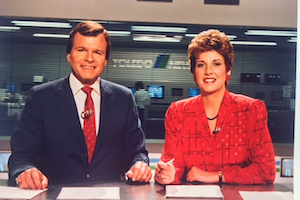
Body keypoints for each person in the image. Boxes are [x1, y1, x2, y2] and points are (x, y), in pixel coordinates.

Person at [8, 21, 152, 189]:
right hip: (54, 194)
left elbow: (136, 152)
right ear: (69, 55)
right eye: (81, 50)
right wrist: (25, 170)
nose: (89, 58)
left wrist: (139, 165)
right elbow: (21, 154)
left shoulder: (123, 98)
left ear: (105, 60)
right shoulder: (41, 97)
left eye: (97, 52)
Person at [155, 29, 276, 185]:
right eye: (201, 65)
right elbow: (173, 163)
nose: (208, 71)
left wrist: (218, 176)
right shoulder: (178, 112)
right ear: (193, 73)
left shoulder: (250, 110)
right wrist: (168, 175)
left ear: (228, 69)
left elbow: (267, 170)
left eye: (216, 63)